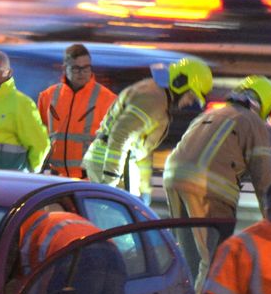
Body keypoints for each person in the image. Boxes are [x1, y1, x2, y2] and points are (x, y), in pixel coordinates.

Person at [164, 75, 271, 288]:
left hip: (172, 178)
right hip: (209, 189)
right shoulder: (253, 121)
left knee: (185, 254)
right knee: (214, 259)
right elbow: (263, 178)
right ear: (265, 104)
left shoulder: (212, 113)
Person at [83, 57, 213, 204]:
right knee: (115, 222)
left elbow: (142, 149)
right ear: (180, 83)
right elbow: (121, 134)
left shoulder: (160, 98)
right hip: (107, 165)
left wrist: (144, 189)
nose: (189, 102)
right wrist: (110, 180)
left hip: (120, 167)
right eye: (191, 95)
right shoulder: (153, 99)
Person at [36, 44, 116, 178]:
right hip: (54, 178)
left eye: (86, 68)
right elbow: (39, 138)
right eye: (76, 68)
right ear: (64, 68)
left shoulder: (108, 99)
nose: (82, 73)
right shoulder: (47, 96)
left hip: (89, 179)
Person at [0, 50, 49, 172]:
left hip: (7, 184)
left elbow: (40, 144)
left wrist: (29, 174)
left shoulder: (21, 103)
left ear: (9, 73)